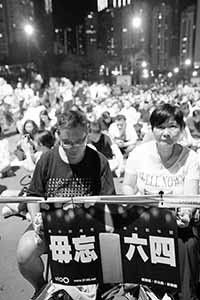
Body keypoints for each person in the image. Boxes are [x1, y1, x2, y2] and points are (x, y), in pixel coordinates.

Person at [16, 108, 116, 300]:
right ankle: (41, 287)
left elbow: (108, 202)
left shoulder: (99, 161)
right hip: (51, 226)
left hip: (88, 227)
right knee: (25, 251)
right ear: (58, 135)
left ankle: (100, 289)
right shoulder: (47, 159)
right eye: (67, 142)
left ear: (87, 135)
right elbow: (34, 195)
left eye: (80, 141)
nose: (74, 147)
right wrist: (37, 221)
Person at [123, 103, 200, 300]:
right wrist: (133, 206)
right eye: (160, 127)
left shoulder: (191, 158)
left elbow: (190, 198)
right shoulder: (138, 153)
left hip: (175, 222)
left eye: (173, 126)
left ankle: (185, 295)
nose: (166, 133)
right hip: (143, 218)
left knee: (188, 244)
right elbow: (128, 187)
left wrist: (185, 214)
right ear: (152, 129)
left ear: (182, 130)